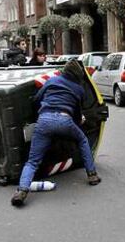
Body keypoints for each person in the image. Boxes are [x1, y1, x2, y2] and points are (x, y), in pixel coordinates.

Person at [11, 60, 101, 207]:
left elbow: (36, 100)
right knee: (83, 140)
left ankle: (21, 191)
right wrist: (79, 121)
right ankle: (92, 175)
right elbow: (78, 115)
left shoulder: (51, 81)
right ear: (77, 75)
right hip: (65, 121)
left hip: (44, 121)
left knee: (32, 161)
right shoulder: (78, 89)